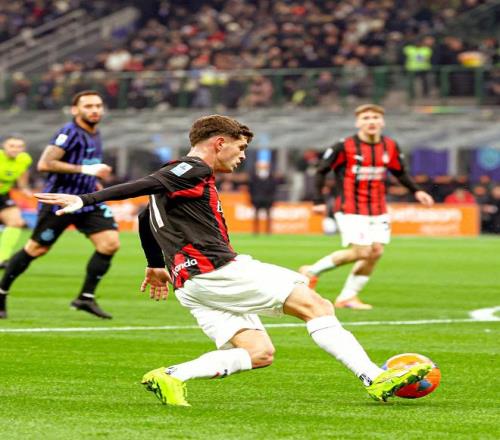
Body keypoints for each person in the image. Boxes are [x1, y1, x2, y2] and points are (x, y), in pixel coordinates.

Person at [35, 114, 431, 406]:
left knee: (259, 353)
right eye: (240, 148)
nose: (242, 156)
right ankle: (375, 377)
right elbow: (145, 186)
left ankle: (171, 376)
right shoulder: (191, 167)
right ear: (219, 142)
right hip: (216, 269)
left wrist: (155, 264)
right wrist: (85, 199)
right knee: (316, 304)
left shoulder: (181, 178)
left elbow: (144, 216)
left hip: (191, 286)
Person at [299, 104, 434, 310]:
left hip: (378, 208)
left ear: (382, 122)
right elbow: (321, 170)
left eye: (375, 117)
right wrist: (318, 200)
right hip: (350, 207)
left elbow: (400, 172)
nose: (371, 121)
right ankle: (311, 271)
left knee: (376, 252)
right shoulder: (344, 146)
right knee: (362, 251)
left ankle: (347, 297)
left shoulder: (390, 146)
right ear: (358, 123)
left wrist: (417, 191)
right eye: (366, 118)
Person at [0, 91, 120, 320]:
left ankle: (85, 297)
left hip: (87, 200)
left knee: (110, 244)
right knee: (36, 249)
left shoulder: (95, 133)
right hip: (59, 201)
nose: (95, 110)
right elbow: (45, 164)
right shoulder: (69, 132)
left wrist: (93, 178)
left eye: (98, 105)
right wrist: (85, 170)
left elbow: (86, 163)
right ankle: (1, 292)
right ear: (75, 110)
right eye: (88, 106)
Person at [0, 136, 33, 268]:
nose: (15, 149)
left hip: (3, 195)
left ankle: (2, 258)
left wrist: (24, 188)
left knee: (16, 222)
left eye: (19, 146)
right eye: (12, 146)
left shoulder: (24, 159)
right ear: (4, 146)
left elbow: (22, 173)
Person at [248, 161, 278, 234]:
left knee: (268, 215)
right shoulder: (254, 176)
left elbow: (274, 188)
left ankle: (268, 230)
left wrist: (272, 198)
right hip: (257, 198)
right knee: (256, 215)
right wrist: (253, 197)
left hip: (268, 199)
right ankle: (256, 230)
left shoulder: (271, 176)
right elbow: (251, 188)